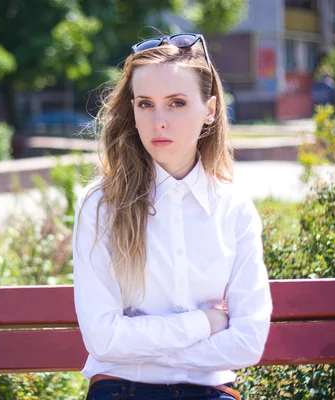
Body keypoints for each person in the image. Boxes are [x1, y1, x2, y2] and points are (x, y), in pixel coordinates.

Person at [72, 33, 273, 400]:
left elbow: (248, 342)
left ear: (210, 109)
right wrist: (206, 323)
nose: (158, 121)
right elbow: (104, 338)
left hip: (210, 393)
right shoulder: (101, 204)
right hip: (123, 391)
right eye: (145, 104)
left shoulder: (234, 208)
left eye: (177, 103)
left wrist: (143, 351)